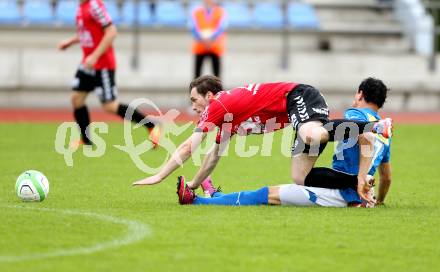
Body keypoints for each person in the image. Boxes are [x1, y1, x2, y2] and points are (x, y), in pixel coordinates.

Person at [133, 76, 392, 204]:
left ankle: (373, 126)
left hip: (300, 96)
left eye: (194, 100)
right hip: (300, 111)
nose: (193, 107)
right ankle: (359, 181)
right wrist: (192, 184)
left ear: (210, 96)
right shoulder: (228, 117)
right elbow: (213, 156)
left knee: (310, 133)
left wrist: (159, 175)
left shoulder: (219, 105)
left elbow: (190, 145)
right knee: (301, 177)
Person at [57, 0, 160, 147]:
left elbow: (111, 31)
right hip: (88, 64)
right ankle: (86, 141)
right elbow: (88, 33)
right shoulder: (81, 7)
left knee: (109, 105)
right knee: (76, 99)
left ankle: (151, 125)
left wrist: (95, 56)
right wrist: (70, 41)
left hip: (102, 64)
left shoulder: (94, 5)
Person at [176, 175, 374, 208]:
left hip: (333, 195)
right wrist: (375, 199)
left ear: (361, 94)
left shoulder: (357, 120)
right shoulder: (382, 132)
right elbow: (387, 176)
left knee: (263, 195)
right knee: (264, 194)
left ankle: (196, 201)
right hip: (337, 192)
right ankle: (215, 196)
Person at [189, 0, 227, 78]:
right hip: (200, 46)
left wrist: (211, 38)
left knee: (217, 75)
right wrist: (202, 39)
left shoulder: (220, 12)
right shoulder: (196, 12)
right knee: (197, 74)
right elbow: (193, 27)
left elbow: (221, 27)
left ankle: (217, 90)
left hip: (215, 47)